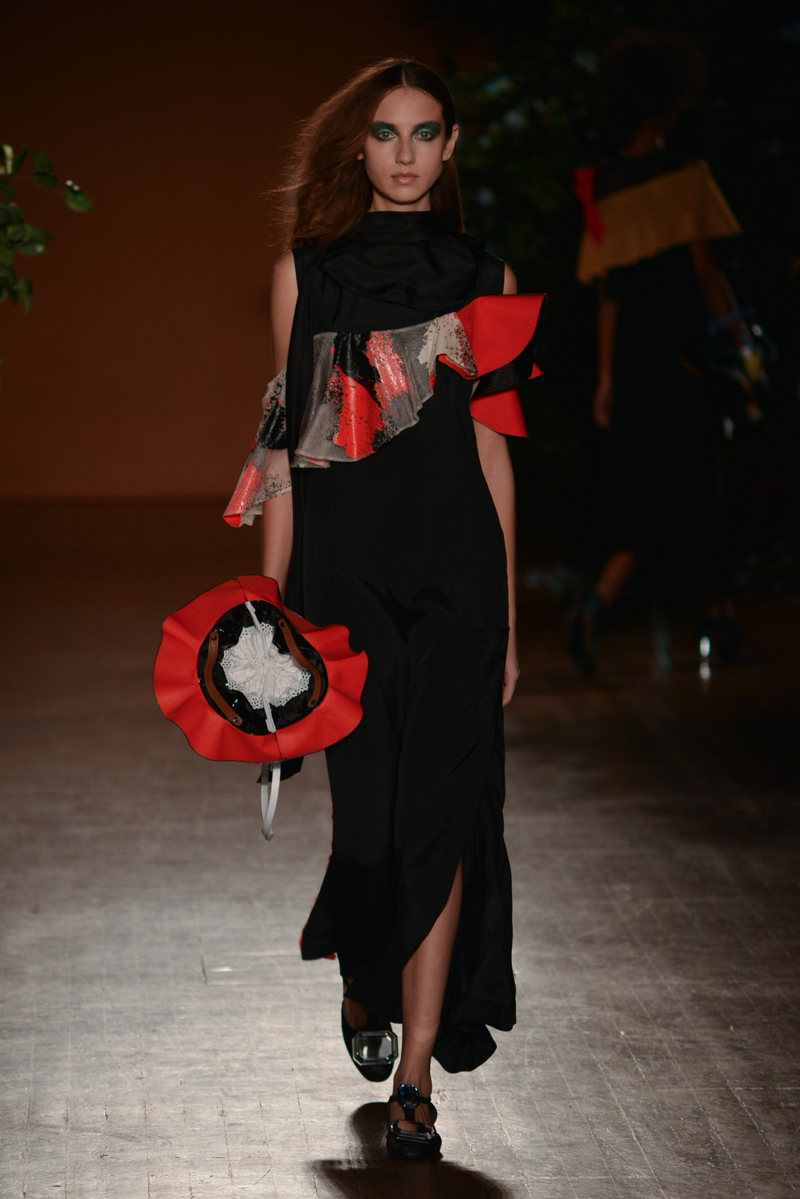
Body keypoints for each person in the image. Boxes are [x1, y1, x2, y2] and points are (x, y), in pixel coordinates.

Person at [223, 60, 544, 1160]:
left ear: (451, 146)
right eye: (384, 133)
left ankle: (415, 1077)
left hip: (459, 579)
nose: (404, 154)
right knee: (369, 825)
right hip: (345, 582)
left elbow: (494, 449)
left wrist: (507, 614)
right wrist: (268, 605)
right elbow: (284, 443)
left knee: (442, 815)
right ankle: (367, 977)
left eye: (424, 133)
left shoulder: (487, 276)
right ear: (356, 147)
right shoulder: (305, 275)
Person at [569, 31, 761, 674]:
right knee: (701, 484)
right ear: (668, 101)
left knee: (637, 487)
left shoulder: (605, 186)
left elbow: (609, 293)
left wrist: (605, 376)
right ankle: (720, 616)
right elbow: (707, 273)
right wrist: (743, 340)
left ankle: (596, 602)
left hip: (634, 362)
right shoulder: (686, 176)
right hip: (685, 358)